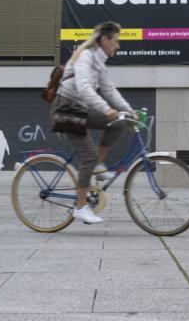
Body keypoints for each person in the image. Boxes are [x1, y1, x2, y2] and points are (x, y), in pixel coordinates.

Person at [51, 21, 134, 224]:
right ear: (105, 40)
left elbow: (109, 89)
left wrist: (128, 110)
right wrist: (106, 109)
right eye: (116, 41)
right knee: (88, 154)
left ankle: (98, 164)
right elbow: (84, 88)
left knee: (117, 123)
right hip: (66, 108)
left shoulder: (99, 62)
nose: (118, 46)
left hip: (82, 108)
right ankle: (80, 207)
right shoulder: (85, 57)